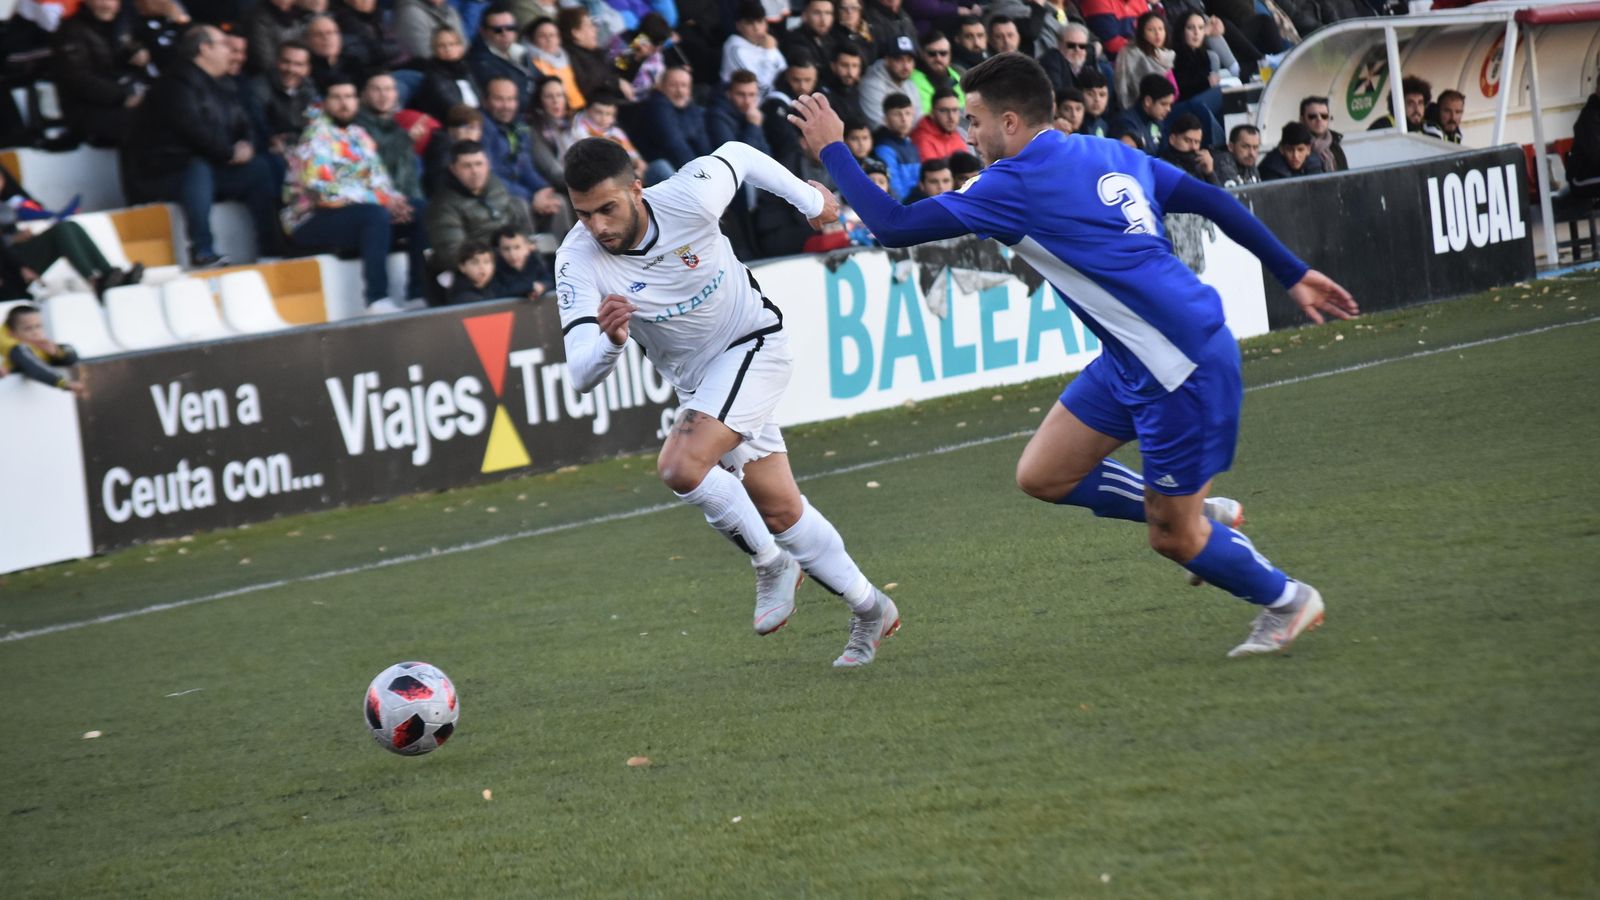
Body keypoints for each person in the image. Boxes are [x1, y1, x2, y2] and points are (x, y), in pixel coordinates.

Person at [790, 52, 1357, 657]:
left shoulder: (1012, 183)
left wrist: (833, 149)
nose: (968, 136)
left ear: (1010, 122)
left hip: (1180, 364)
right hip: (1132, 358)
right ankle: (1196, 513)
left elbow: (892, 225)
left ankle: (1286, 598)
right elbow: (1211, 200)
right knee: (1044, 474)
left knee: (1173, 538)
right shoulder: (1103, 150)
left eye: (975, 122)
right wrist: (1291, 272)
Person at [554, 136, 901, 666]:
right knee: (780, 509)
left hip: (753, 344)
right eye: (584, 214)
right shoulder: (577, 258)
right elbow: (581, 371)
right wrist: (611, 343)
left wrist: (812, 202)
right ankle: (871, 607)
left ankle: (770, 563)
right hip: (700, 383)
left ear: (637, 190)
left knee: (680, 466)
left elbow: (739, 154)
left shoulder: (689, 195)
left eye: (608, 208)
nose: (598, 226)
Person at [124, 24, 284, 267]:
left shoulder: (224, 83)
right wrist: (229, 152)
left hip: (213, 165)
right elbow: (191, 128)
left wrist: (247, 146)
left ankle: (270, 249)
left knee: (259, 169)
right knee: (197, 168)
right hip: (163, 172)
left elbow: (244, 122)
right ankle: (202, 250)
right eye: (224, 45)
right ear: (204, 48)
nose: (230, 52)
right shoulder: (174, 83)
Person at [282, 75, 426, 310]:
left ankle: (417, 295)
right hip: (310, 219)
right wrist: (382, 202)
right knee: (374, 216)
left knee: (419, 209)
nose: (344, 103)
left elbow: (379, 180)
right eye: (337, 97)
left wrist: (395, 202)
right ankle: (376, 298)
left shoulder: (359, 135)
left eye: (349, 96)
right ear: (325, 102)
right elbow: (323, 193)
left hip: (356, 215)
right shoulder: (315, 135)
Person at [1, 165, 142, 300]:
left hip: (16, 253)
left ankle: (109, 273)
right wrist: (14, 242)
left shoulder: (7, 202)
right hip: (8, 265)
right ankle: (94, 280)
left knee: (70, 225)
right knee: (60, 230)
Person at [425, 140, 536, 277]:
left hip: (513, 264)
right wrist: (503, 257)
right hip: (478, 274)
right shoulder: (443, 205)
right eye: (467, 166)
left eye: (479, 164)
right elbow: (453, 254)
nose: (475, 171)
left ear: (487, 165)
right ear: (453, 169)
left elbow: (519, 227)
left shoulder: (496, 186)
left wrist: (524, 246)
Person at [52, 0, 149, 147]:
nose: (106, 3)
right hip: (89, 108)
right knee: (146, 124)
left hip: (131, 92)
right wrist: (123, 97)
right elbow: (79, 79)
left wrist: (140, 52)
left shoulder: (127, 23)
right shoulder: (70, 31)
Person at [480, 76, 566, 217]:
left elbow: (525, 166)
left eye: (510, 99)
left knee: (557, 201)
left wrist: (543, 189)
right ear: (486, 101)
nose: (506, 105)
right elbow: (490, 175)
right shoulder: (482, 127)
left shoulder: (519, 125)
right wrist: (530, 196)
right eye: (499, 99)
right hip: (498, 193)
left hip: (521, 189)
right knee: (522, 205)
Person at [633, 66, 711, 175]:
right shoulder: (657, 106)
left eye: (684, 86)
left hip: (682, 167)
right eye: (673, 85)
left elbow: (703, 143)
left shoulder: (691, 108)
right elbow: (674, 145)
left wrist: (712, 167)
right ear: (661, 87)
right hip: (656, 167)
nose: (680, 91)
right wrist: (701, 174)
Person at [0, 305, 84, 395]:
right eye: (28, 329)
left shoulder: (42, 346)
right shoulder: (17, 349)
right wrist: (63, 383)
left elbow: (72, 358)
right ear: (12, 333)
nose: (35, 332)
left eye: (38, 326)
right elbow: (31, 366)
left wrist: (57, 353)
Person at [407, 27, 481, 122]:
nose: (448, 49)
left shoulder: (469, 70)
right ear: (434, 49)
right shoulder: (433, 76)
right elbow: (451, 106)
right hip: (454, 122)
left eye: (452, 44)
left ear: (461, 47)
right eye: (441, 46)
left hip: (477, 117)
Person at [469, 3, 536, 105]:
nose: (505, 33)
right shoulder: (479, 62)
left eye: (510, 28)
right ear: (483, 31)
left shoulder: (521, 52)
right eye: (497, 30)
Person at [720, 1, 786, 97]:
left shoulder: (765, 42)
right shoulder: (734, 47)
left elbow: (785, 72)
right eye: (749, 23)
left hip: (770, 99)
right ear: (738, 26)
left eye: (760, 22)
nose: (756, 28)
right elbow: (761, 87)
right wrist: (770, 52)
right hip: (737, 102)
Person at [859, 34, 922, 130]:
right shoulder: (871, 85)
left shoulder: (910, 84)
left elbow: (920, 122)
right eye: (899, 60)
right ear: (887, 60)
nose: (906, 66)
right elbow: (879, 126)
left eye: (909, 60)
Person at [1113, 12, 1173, 113]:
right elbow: (1124, 89)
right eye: (1151, 30)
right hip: (1139, 110)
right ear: (1142, 33)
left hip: (1168, 108)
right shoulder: (1132, 54)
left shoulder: (1166, 55)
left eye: (1160, 29)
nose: (1157, 34)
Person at [525, 15, 584, 112]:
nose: (549, 39)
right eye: (542, 36)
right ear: (533, 39)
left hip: (578, 110)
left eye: (552, 35)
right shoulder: (529, 63)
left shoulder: (568, 58)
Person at [872, 93, 922, 200]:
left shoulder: (911, 145)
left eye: (908, 113)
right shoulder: (884, 148)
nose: (904, 119)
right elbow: (895, 191)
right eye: (897, 114)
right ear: (885, 119)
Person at [305, 13, 368, 91]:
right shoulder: (305, 66)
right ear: (308, 40)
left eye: (330, 33)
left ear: (339, 37)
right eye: (318, 34)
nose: (326, 38)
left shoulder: (355, 64)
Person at [1112, 73, 1172, 154]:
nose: (1168, 109)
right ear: (1148, 101)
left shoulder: (1158, 121)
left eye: (1170, 104)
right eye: (1163, 104)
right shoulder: (1125, 122)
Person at [1368, 75, 1444, 139]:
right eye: (1410, 103)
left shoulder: (1433, 129)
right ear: (1398, 105)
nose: (1416, 109)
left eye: (1420, 103)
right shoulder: (1383, 126)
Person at [908, 30, 964, 113]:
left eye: (943, 53)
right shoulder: (912, 80)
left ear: (950, 55)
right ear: (922, 54)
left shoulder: (958, 76)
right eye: (932, 54)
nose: (938, 58)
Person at [489, 224, 549, 299]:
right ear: (499, 251)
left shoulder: (536, 261)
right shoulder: (495, 269)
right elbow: (500, 291)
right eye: (506, 249)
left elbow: (549, 279)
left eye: (517, 247)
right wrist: (530, 287)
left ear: (529, 247)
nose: (512, 254)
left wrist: (542, 286)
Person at [395, 0, 466, 61]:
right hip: (421, 68)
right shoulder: (410, 11)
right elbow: (423, 53)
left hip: (453, 65)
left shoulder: (450, 10)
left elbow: (463, 43)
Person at [910, 88, 967, 161]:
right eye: (944, 111)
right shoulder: (922, 139)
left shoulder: (955, 134)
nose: (951, 117)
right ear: (932, 113)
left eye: (955, 110)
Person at [1159, 113, 1216, 184]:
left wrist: (1209, 173)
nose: (1193, 147)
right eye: (1187, 140)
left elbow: (1219, 191)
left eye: (1197, 142)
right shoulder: (1164, 167)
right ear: (1172, 139)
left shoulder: (1200, 166)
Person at [782, 0, 838, 70]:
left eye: (828, 13)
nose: (823, 19)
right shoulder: (795, 40)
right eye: (817, 13)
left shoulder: (832, 39)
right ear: (804, 16)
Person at [1300, 95, 1347, 171]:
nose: (1319, 119)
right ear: (1302, 119)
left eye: (1324, 116)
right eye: (1312, 116)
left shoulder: (1335, 144)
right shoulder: (1295, 147)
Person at [825, 45, 868, 126]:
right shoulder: (824, 93)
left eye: (855, 66)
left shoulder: (855, 90)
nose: (850, 72)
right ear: (833, 66)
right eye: (844, 65)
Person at [1077, 70, 1111, 138]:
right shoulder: (1075, 124)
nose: (1097, 99)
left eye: (1102, 95)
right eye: (1090, 94)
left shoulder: (1105, 125)